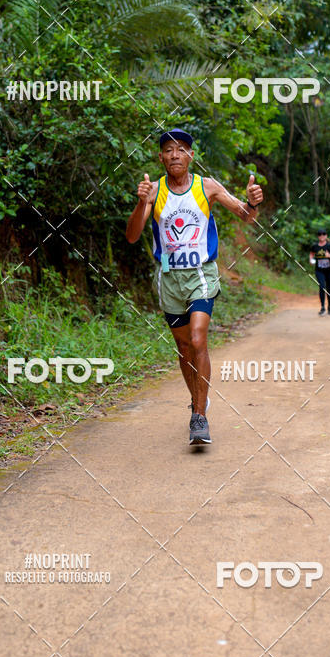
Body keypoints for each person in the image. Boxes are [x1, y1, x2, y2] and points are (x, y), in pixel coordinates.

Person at [125, 128, 264, 446]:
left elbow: (245, 215)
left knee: (199, 339)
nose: (175, 154)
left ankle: (199, 417)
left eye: (182, 149)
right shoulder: (155, 192)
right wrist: (141, 204)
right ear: (160, 158)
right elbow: (133, 236)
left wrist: (254, 204)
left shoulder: (208, 187)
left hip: (201, 274)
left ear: (191, 155)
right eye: (168, 150)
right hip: (169, 279)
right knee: (184, 348)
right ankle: (197, 399)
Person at [309, 229, 330, 315]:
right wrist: (311, 260)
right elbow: (311, 254)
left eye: (323, 234)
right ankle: (322, 307)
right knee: (322, 287)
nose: (322, 235)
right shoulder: (315, 246)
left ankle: (329, 306)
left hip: (329, 271)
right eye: (320, 234)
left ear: (326, 236)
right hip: (319, 271)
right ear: (318, 236)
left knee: (329, 288)